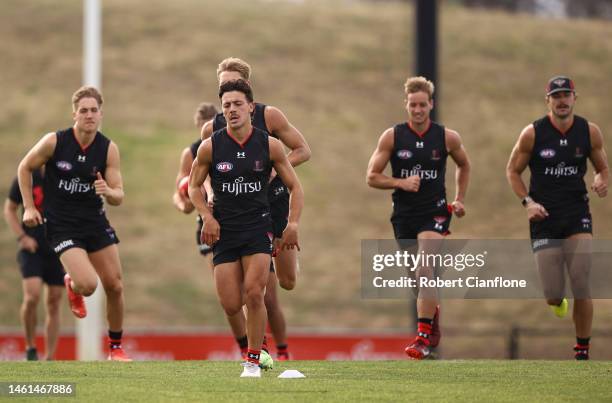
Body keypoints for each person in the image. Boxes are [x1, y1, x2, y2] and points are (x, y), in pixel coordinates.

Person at [189, 79, 303, 377]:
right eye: (227, 105)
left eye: (238, 104)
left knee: (256, 293)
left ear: (251, 107)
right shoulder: (210, 147)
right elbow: (193, 186)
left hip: (258, 229)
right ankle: (256, 343)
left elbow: (295, 187)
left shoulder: (269, 145)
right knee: (230, 303)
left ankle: (253, 359)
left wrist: (292, 224)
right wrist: (207, 216)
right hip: (225, 233)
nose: (232, 109)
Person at [17, 86, 132, 361]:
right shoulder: (55, 142)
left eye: (94, 110)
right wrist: (30, 208)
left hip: (94, 222)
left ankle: (115, 348)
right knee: (89, 285)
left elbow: (119, 195)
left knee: (115, 285)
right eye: (84, 110)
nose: (89, 115)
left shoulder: (108, 148)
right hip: (62, 225)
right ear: (74, 114)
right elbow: (24, 167)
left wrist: (108, 191)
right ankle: (74, 284)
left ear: (101, 114)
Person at [366, 76, 471, 360]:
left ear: (431, 105)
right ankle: (432, 320)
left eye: (423, 104)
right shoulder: (393, 136)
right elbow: (372, 177)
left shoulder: (447, 137)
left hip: (435, 212)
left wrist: (459, 199)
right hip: (403, 216)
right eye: (413, 105)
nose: (418, 110)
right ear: (406, 105)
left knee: (426, 268)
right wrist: (400, 183)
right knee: (417, 279)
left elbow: (464, 165)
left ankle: (422, 339)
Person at [506, 76, 608, 360]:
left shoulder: (589, 132)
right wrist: (528, 203)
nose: (562, 101)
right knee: (553, 293)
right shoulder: (533, 133)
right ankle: (557, 300)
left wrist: (601, 180)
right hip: (544, 218)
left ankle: (582, 350)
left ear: (575, 97)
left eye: (566, 95)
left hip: (577, 214)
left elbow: (602, 167)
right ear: (548, 100)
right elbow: (512, 171)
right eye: (556, 96)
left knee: (581, 280)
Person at [4, 170, 64, 360]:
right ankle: (30, 347)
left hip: (57, 248)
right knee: (32, 296)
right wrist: (22, 237)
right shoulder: (26, 175)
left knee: (54, 301)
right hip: (32, 249)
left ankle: (50, 356)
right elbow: (10, 208)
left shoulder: (63, 176)